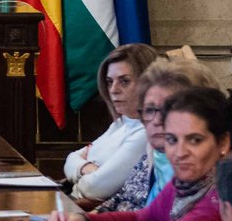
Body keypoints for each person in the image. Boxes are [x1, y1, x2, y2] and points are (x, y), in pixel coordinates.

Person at [48, 87, 232, 221]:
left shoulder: (225, 196)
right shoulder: (186, 183)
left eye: (195, 140)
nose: (180, 152)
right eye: (172, 140)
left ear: (223, 143)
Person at [86, 57, 220, 213]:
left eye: (167, 110)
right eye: (149, 110)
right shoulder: (154, 153)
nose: (156, 121)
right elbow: (122, 201)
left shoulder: (206, 180)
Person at [66, 43, 161, 203]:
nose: (113, 90)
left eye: (124, 81)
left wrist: (82, 172)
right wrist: (87, 168)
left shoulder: (146, 132)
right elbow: (71, 158)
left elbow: (95, 188)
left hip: (89, 212)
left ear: (148, 83)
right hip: (73, 201)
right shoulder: (121, 123)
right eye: (110, 81)